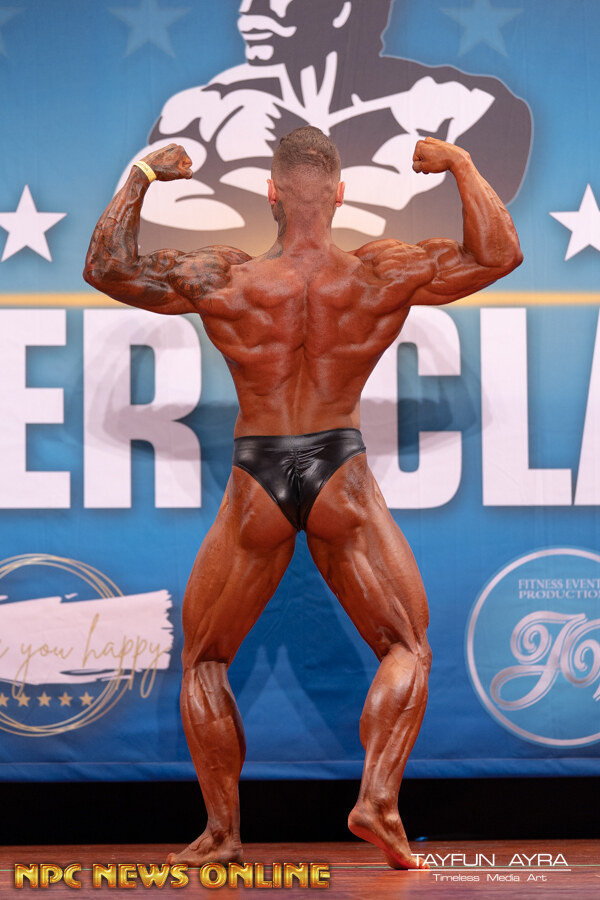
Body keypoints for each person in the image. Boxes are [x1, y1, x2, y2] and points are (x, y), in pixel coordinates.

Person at [83, 126, 523, 869]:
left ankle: (222, 833)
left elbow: (107, 268)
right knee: (406, 647)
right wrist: (461, 163)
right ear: (341, 195)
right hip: (337, 469)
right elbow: (498, 255)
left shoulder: (225, 277)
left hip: (258, 473)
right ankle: (377, 800)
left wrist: (141, 176)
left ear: (271, 194)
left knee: (205, 660)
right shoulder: (380, 273)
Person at [122, 0, 531, 256]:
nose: (247, 11)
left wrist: (462, 162)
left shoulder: (461, 105)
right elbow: (148, 223)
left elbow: (495, 249)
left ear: (339, 8)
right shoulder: (206, 110)